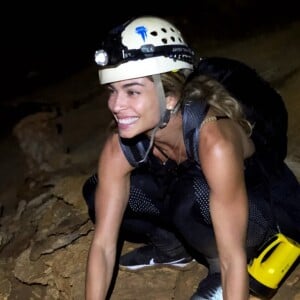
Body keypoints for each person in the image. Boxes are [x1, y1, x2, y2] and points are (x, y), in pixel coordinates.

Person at [82, 15, 300, 299]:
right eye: (112, 91)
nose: (115, 104)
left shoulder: (214, 140)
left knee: (190, 196)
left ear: (170, 98)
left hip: (258, 211)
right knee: (97, 191)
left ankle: (216, 274)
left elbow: (232, 256)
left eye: (132, 91)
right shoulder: (120, 144)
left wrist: (230, 275)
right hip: (189, 191)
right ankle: (173, 249)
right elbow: (102, 246)